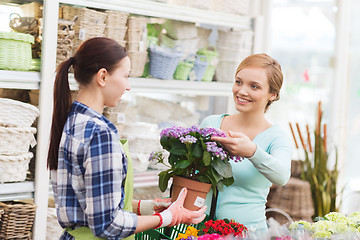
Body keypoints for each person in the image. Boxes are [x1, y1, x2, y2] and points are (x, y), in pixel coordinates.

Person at [48, 37, 206, 240]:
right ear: (103, 76)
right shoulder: (100, 134)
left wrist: (147, 206)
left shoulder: (72, 120)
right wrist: (168, 217)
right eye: (126, 76)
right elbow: (107, 225)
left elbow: (90, 203)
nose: (128, 86)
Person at [200, 53, 292, 232]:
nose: (241, 91)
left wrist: (252, 151)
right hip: (200, 229)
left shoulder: (276, 138)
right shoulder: (211, 124)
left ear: (272, 94)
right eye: (238, 82)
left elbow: (282, 176)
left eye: (254, 86)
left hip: (246, 233)